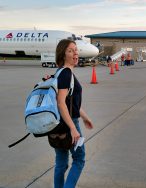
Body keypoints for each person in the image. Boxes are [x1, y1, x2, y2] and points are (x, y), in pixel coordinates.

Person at [54, 39, 94, 188]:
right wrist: (73, 128)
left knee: (61, 162)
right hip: (68, 123)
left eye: (76, 50)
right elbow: (61, 102)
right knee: (79, 159)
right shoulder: (65, 74)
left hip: (58, 124)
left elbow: (72, 104)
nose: (75, 53)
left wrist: (85, 118)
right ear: (63, 55)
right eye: (70, 51)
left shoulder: (60, 73)